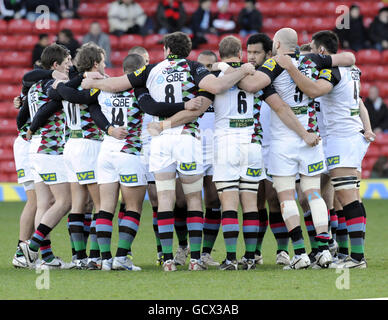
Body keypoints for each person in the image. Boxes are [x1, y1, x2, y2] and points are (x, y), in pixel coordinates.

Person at [81, 31, 257, 272]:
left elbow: (116, 84)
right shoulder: (194, 67)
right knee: (194, 198)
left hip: (161, 139)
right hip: (186, 138)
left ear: (165, 49)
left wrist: (94, 83)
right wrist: (243, 69)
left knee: (165, 200)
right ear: (188, 49)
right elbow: (218, 86)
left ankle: (166, 260)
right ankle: (195, 259)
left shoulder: (151, 69)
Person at [235, 28, 356, 270]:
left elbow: (250, 85)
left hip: (284, 141)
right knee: (313, 194)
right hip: (311, 137)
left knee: (286, 196)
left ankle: (299, 252)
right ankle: (323, 251)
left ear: (277, 44)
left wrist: (233, 70)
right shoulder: (312, 59)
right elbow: (350, 58)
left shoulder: (275, 64)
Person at [275, 30, 375, 269]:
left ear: (320, 50)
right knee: (323, 196)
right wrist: (368, 128)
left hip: (341, 138)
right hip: (341, 138)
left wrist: (291, 69)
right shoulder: (349, 69)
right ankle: (331, 251)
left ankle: (357, 258)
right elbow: (359, 100)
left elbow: (313, 91)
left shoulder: (331, 71)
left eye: (311, 48)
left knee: (347, 198)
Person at [19, 44, 73, 269]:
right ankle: (31, 247)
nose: (70, 65)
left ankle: (47, 258)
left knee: (44, 203)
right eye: (67, 61)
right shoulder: (52, 83)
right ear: (55, 65)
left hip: (36, 147)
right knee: (64, 201)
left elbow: (21, 116)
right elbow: (47, 110)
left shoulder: (33, 87)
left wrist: (29, 130)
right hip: (50, 148)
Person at [245, 33, 290, 266]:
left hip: (275, 145)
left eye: (256, 53)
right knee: (256, 200)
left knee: (275, 199)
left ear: (269, 54)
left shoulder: (277, 78)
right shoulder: (243, 77)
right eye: (249, 52)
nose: (251, 57)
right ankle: (255, 252)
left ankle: (283, 250)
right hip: (253, 147)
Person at [196, 50, 222, 267]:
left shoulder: (222, 87)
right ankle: (185, 249)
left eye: (210, 67)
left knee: (213, 200)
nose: (206, 70)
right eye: (202, 66)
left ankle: (205, 253)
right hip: (192, 148)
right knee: (184, 201)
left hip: (215, 150)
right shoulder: (190, 86)